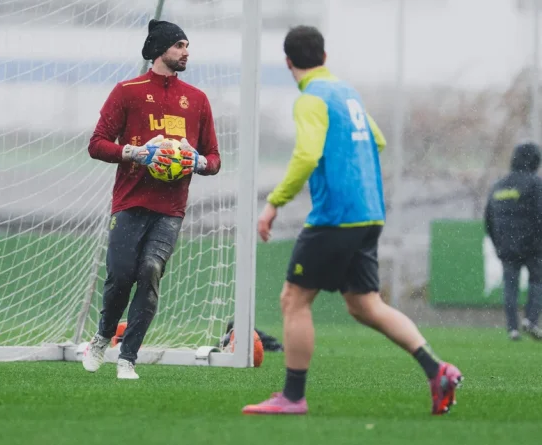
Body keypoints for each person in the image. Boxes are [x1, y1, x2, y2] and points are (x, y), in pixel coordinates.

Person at [242, 26, 462, 416]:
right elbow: (376, 140)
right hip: (369, 212)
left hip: (336, 216)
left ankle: (292, 397)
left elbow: (307, 155)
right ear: (325, 57)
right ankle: (437, 369)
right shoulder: (346, 93)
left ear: (289, 63)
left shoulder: (310, 99)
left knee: (294, 299)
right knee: (364, 304)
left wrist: (275, 203)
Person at [83, 19, 221, 379]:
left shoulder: (198, 100)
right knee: (121, 275)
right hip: (130, 202)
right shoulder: (128, 91)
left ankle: (128, 357)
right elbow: (97, 144)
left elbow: (215, 159)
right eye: (179, 45)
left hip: (170, 210)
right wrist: (135, 152)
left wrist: (199, 161)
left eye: (187, 46)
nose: (186, 52)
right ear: (160, 49)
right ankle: (101, 337)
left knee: (150, 272)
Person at [484, 142, 542, 341]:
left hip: (506, 246)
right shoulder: (536, 183)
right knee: (538, 280)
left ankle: (512, 329)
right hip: (534, 246)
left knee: (510, 286)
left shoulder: (499, 185)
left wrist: (499, 243)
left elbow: (489, 219)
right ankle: (531, 320)